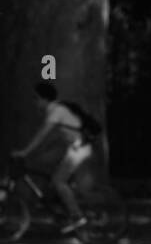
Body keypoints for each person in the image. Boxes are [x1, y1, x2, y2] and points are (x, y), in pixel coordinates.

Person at [11, 82, 92, 233]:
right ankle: (62, 207)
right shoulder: (56, 111)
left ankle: (77, 216)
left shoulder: (56, 111)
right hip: (73, 148)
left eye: (36, 98)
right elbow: (52, 138)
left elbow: (43, 134)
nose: (35, 102)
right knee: (49, 173)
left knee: (58, 181)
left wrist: (25, 152)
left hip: (79, 149)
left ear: (44, 98)